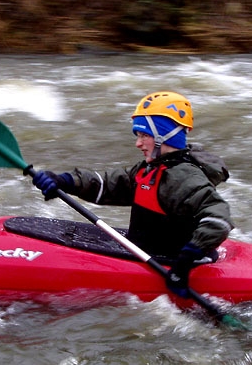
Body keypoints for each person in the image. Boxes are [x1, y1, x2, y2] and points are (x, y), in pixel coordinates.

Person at [32, 91, 234, 297]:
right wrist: (64, 181)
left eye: (144, 135)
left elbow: (219, 218)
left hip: (175, 263)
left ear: (164, 137)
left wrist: (185, 262)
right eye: (138, 136)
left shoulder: (184, 178)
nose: (138, 144)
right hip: (148, 250)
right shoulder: (153, 168)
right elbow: (111, 184)